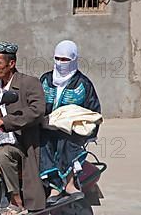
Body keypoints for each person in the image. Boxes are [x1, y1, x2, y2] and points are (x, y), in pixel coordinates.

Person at [0, 41, 46, 215]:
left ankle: (16, 203)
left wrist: (5, 121)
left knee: (2, 154)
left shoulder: (29, 83)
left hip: (22, 143)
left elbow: (37, 111)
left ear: (11, 63)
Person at [40, 40, 101, 205]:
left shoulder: (83, 84)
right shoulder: (45, 80)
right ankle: (51, 183)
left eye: (65, 59)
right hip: (46, 128)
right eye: (57, 58)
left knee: (63, 139)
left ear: (74, 60)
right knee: (41, 140)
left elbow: (93, 111)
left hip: (72, 132)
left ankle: (66, 184)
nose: (61, 63)